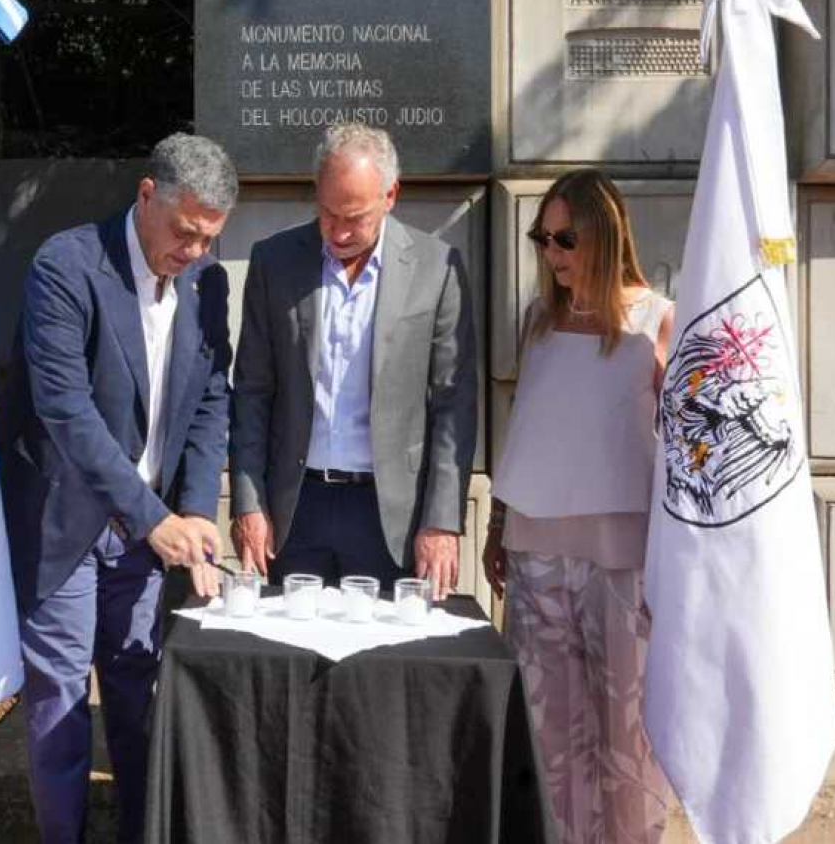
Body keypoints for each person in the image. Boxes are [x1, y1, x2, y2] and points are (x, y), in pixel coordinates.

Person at [0, 133, 235, 844]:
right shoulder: (66, 266)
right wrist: (150, 514)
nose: (194, 251)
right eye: (185, 232)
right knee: (61, 704)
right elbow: (66, 411)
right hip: (67, 520)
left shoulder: (207, 282)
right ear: (146, 195)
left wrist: (193, 507)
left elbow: (210, 401)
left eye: (208, 238)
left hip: (150, 527)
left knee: (138, 699)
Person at [482, 169, 674, 843]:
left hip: (623, 561)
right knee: (549, 737)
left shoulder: (657, 317)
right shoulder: (538, 320)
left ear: (604, 234)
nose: (552, 253)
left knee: (627, 738)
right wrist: (499, 522)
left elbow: (681, 448)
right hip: (536, 554)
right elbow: (529, 426)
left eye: (565, 238)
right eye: (543, 238)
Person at [229, 123, 476, 598]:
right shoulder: (274, 261)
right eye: (327, 213)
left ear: (391, 195)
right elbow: (253, 390)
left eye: (355, 216)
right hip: (295, 510)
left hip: (392, 515)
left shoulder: (436, 267)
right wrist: (248, 502)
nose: (339, 231)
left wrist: (443, 522)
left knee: (384, 666)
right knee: (293, 658)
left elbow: (454, 404)